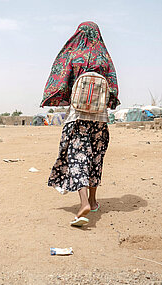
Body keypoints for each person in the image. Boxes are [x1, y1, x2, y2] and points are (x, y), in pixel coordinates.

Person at [41, 21, 120, 227]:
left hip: (77, 117)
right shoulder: (104, 58)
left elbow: (61, 81)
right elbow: (112, 87)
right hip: (100, 120)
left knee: (78, 158)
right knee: (95, 159)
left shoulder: (74, 55)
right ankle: (94, 201)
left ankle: (84, 202)